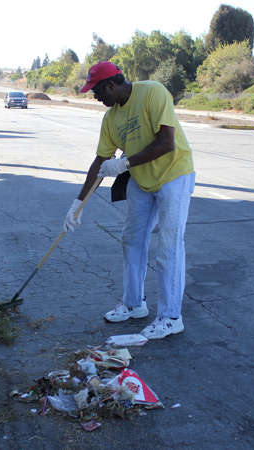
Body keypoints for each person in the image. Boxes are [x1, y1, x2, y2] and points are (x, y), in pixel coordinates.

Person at [63, 61, 195, 340]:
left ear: (111, 84)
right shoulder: (110, 119)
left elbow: (166, 142)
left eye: (98, 92)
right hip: (141, 180)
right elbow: (100, 161)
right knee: (132, 240)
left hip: (174, 176)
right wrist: (78, 203)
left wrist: (123, 165)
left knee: (169, 247)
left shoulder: (153, 92)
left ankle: (171, 317)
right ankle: (134, 304)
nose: (96, 98)